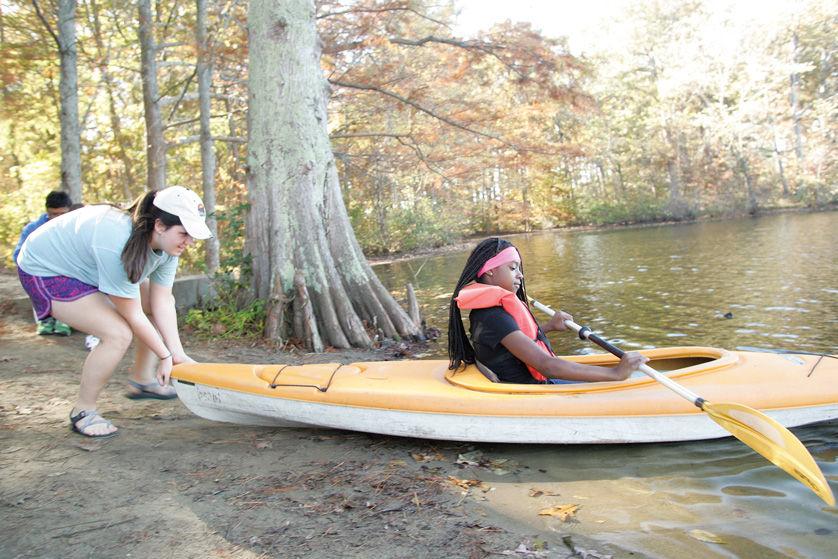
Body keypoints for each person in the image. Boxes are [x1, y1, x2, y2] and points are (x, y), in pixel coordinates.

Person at [16, 186, 212, 438]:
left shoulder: (167, 248)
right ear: (160, 226)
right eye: (184, 233)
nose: (190, 243)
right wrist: (164, 355)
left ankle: (142, 381)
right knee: (117, 333)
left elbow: (162, 301)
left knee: (150, 306)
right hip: (45, 269)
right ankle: (82, 411)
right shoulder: (116, 240)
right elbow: (132, 315)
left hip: (85, 266)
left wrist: (177, 354)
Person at [448, 237, 648, 384]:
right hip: (532, 392)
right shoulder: (493, 316)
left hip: (534, 383)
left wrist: (549, 327)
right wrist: (615, 374)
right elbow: (547, 366)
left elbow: (512, 342)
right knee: (618, 379)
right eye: (513, 268)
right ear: (490, 270)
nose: (520, 276)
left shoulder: (489, 311)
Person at [13, 190, 74, 336]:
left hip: (68, 271)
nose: (58, 218)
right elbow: (18, 255)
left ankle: (65, 320)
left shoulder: (75, 227)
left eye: (62, 214)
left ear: (69, 211)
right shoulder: (32, 229)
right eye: (54, 214)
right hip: (40, 271)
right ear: (47, 212)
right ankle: (46, 319)